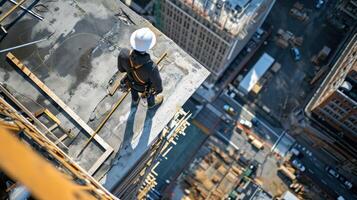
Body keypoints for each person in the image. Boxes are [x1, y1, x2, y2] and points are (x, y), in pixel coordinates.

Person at [117, 27, 163, 109]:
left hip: (131, 82)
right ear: (148, 46)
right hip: (144, 87)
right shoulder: (152, 67)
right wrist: (158, 91)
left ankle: (135, 100)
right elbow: (158, 87)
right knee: (150, 92)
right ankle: (151, 104)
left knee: (133, 89)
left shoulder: (123, 52)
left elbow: (121, 69)